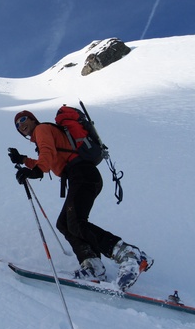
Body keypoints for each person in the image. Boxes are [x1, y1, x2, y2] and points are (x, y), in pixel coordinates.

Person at [9, 109, 153, 291]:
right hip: (82, 176)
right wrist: (23, 160)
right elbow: (49, 158)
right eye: (17, 125)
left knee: (75, 222)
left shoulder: (42, 129)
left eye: (23, 119)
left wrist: (36, 171)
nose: (21, 125)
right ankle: (92, 264)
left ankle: (129, 254)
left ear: (32, 119)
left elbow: (46, 155)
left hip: (82, 175)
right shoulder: (44, 134)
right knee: (65, 223)